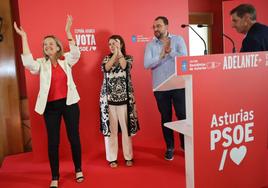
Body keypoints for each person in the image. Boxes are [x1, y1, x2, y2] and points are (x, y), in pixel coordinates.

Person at [14, 15, 84, 188]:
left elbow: (76, 53)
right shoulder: (41, 64)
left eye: (51, 44)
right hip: (50, 108)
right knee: (53, 142)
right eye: (45, 45)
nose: (47, 47)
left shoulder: (66, 59)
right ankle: (55, 176)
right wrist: (24, 37)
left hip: (70, 104)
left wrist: (68, 31)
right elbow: (28, 63)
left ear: (58, 46)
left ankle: (78, 170)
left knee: (74, 138)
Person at [144, 16, 187, 161]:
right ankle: (170, 147)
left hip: (179, 85)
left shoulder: (178, 39)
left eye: (159, 26)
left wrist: (171, 52)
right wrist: (161, 56)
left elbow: (185, 58)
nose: (156, 29)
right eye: (154, 26)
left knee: (182, 115)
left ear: (166, 26)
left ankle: (185, 146)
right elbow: (147, 64)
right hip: (160, 88)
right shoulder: (151, 45)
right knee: (166, 118)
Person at [100, 35, 139, 168]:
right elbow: (106, 68)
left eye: (115, 43)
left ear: (121, 44)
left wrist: (119, 53)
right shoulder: (106, 58)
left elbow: (124, 67)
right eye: (110, 44)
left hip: (125, 101)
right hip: (109, 101)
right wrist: (114, 54)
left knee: (126, 130)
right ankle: (112, 158)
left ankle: (128, 156)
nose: (112, 46)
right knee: (111, 131)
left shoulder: (128, 58)